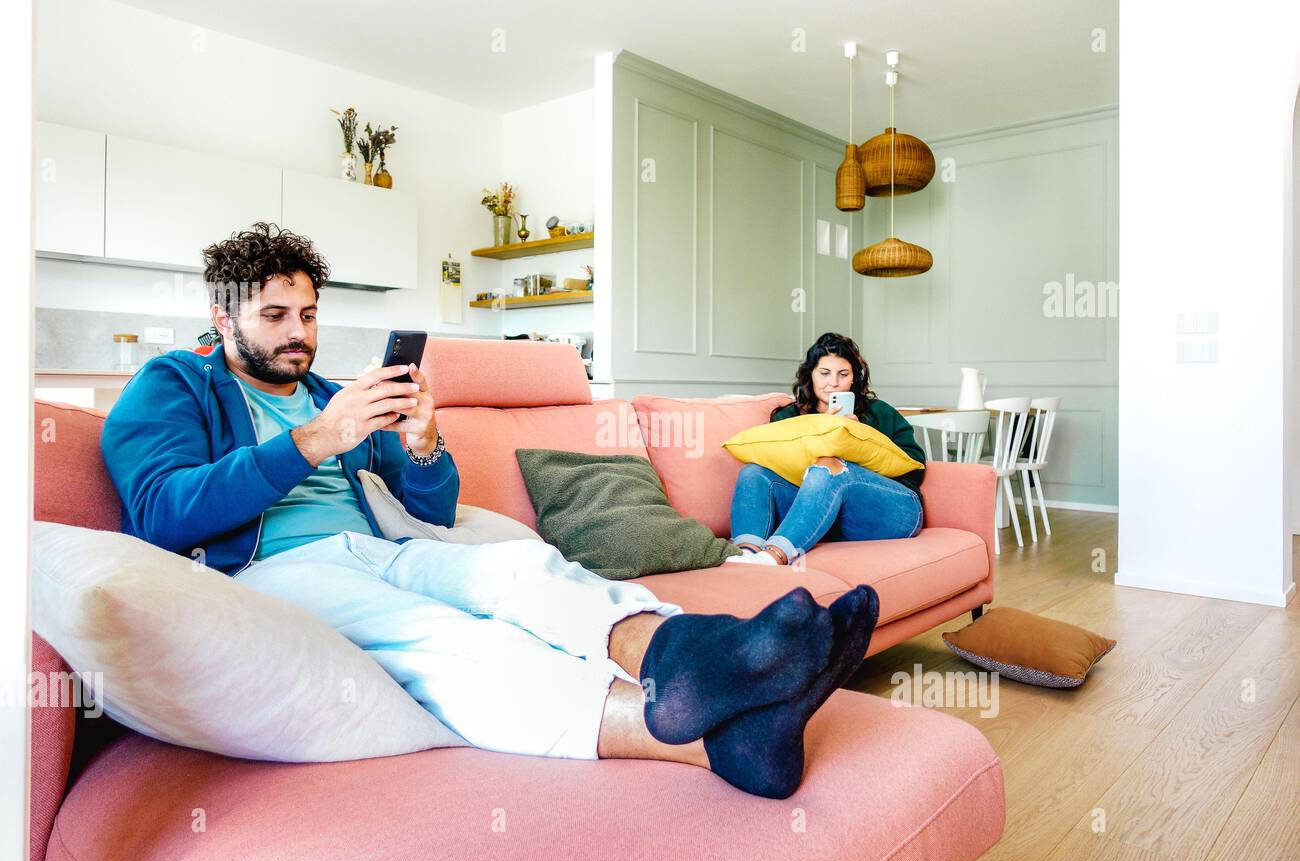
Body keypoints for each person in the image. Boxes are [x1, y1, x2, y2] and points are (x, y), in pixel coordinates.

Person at [99, 223, 881, 800]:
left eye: (308, 314)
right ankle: (707, 740)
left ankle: (701, 659)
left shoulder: (334, 394)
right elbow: (164, 514)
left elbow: (430, 511)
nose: (299, 334)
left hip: (380, 547)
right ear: (223, 312)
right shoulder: (174, 384)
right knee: (442, 640)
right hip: (275, 572)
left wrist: (426, 441)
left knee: (521, 567)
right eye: (276, 317)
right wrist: (310, 442)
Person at [727, 332, 926, 567]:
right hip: (821, 517)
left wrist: (861, 438)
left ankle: (774, 557)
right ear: (810, 375)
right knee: (753, 472)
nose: (833, 382)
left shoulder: (879, 412)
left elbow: (915, 465)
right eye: (824, 373)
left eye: (843, 374)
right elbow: (775, 465)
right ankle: (745, 556)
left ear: (854, 378)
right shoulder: (789, 417)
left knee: (828, 465)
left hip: (890, 510)